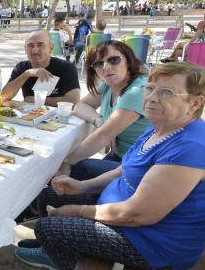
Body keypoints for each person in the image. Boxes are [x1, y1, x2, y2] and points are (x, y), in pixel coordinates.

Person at [15, 63, 205, 270]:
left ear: (195, 102)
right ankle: (56, 250)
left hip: (152, 244)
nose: (153, 98)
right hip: (129, 216)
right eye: (150, 88)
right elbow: (126, 168)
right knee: (48, 196)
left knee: (47, 228)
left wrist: (78, 211)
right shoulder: (162, 125)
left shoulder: (192, 149)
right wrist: (84, 186)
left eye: (167, 92)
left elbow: (136, 214)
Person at [60, 40, 150, 180]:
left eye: (114, 60)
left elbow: (102, 137)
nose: (106, 67)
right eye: (98, 64)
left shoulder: (136, 91)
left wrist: (66, 163)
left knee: (76, 169)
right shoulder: (109, 84)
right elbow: (80, 106)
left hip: (142, 166)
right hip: (120, 156)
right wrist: (100, 121)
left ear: (128, 60)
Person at [1, 29, 81, 106]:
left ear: (51, 48)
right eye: (30, 46)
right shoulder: (21, 67)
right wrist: (27, 74)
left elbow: (74, 100)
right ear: (25, 49)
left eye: (40, 45)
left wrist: (37, 100)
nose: (35, 50)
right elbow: (3, 97)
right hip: (30, 116)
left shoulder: (66, 67)